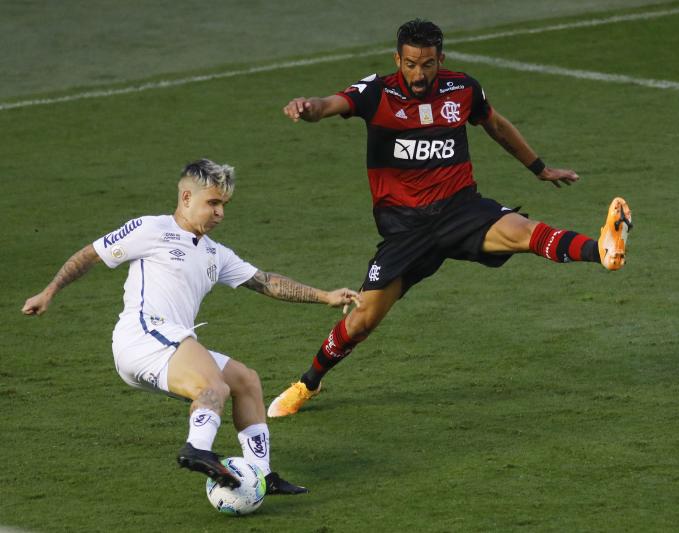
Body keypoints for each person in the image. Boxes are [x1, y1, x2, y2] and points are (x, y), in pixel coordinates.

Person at [268, 19, 632, 418]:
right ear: (398, 59)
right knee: (361, 322)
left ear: (440, 58)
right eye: (410, 64)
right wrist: (308, 109)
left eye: (427, 64)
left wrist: (539, 168)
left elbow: (494, 124)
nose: (418, 74)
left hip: (460, 209)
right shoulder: (377, 92)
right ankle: (309, 382)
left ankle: (602, 250)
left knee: (523, 233)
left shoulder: (463, 89)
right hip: (406, 230)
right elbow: (329, 105)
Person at [22, 159, 361, 493]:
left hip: (168, 347)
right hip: (142, 336)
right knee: (214, 386)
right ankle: (196, 448)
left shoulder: (215, 253)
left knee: (245, 381)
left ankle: (261, 475)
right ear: (186, 198)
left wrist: (324, 296)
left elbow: (266, 282)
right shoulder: (152, 229)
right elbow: (90, 254)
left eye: (224, 205)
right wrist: (49, 291)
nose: (220, 214)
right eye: (212, 203)